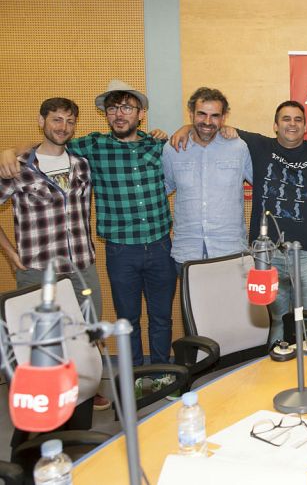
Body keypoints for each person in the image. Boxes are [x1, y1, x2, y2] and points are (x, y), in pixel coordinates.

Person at [0, 80, 177, 369]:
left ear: (141, 113)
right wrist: (8, 151)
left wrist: (176, 132)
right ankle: (131, 378)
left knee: (158, 317)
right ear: (105, 115)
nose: (119, 114)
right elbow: (48, 144)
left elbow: (187, 141)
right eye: (112, 108)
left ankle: (162, 373)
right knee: (124, 320)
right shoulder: (90, 148)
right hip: (117, 252)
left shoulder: (156, 146)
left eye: (127, 108)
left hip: (156, 247)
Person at [170, 101, 307, 342]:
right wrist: (187, 127)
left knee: (306, 319)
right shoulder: (259, 145)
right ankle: (276, 370)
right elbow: (210, 125)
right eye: (286, 119)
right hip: (267, 252)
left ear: (305, 127)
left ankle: (306, 368)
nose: (292, 124)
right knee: (276, 320)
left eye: (298, 120)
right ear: (275, 125)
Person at [0, 97, 110, 410]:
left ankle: (87, 391)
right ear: (41, 121)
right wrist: (9, 253)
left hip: (81, 266)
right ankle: (47, 398)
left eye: (69, 121)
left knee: (86, 333)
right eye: (56, 120)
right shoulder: (19, 168)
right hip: (38, 270)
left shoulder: (81, 165)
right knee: (41, 339)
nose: (63, 127)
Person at [162, 88, 252, 275]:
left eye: (215, 116)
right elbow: (162, 188)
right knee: (191, 305)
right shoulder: (173, 149)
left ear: (224, 117)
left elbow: (263, 184)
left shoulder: (238, 147)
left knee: (229, 305)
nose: (207, 122)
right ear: (191, 114)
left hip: (230, 251)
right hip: (188, 251)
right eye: (201, 114)